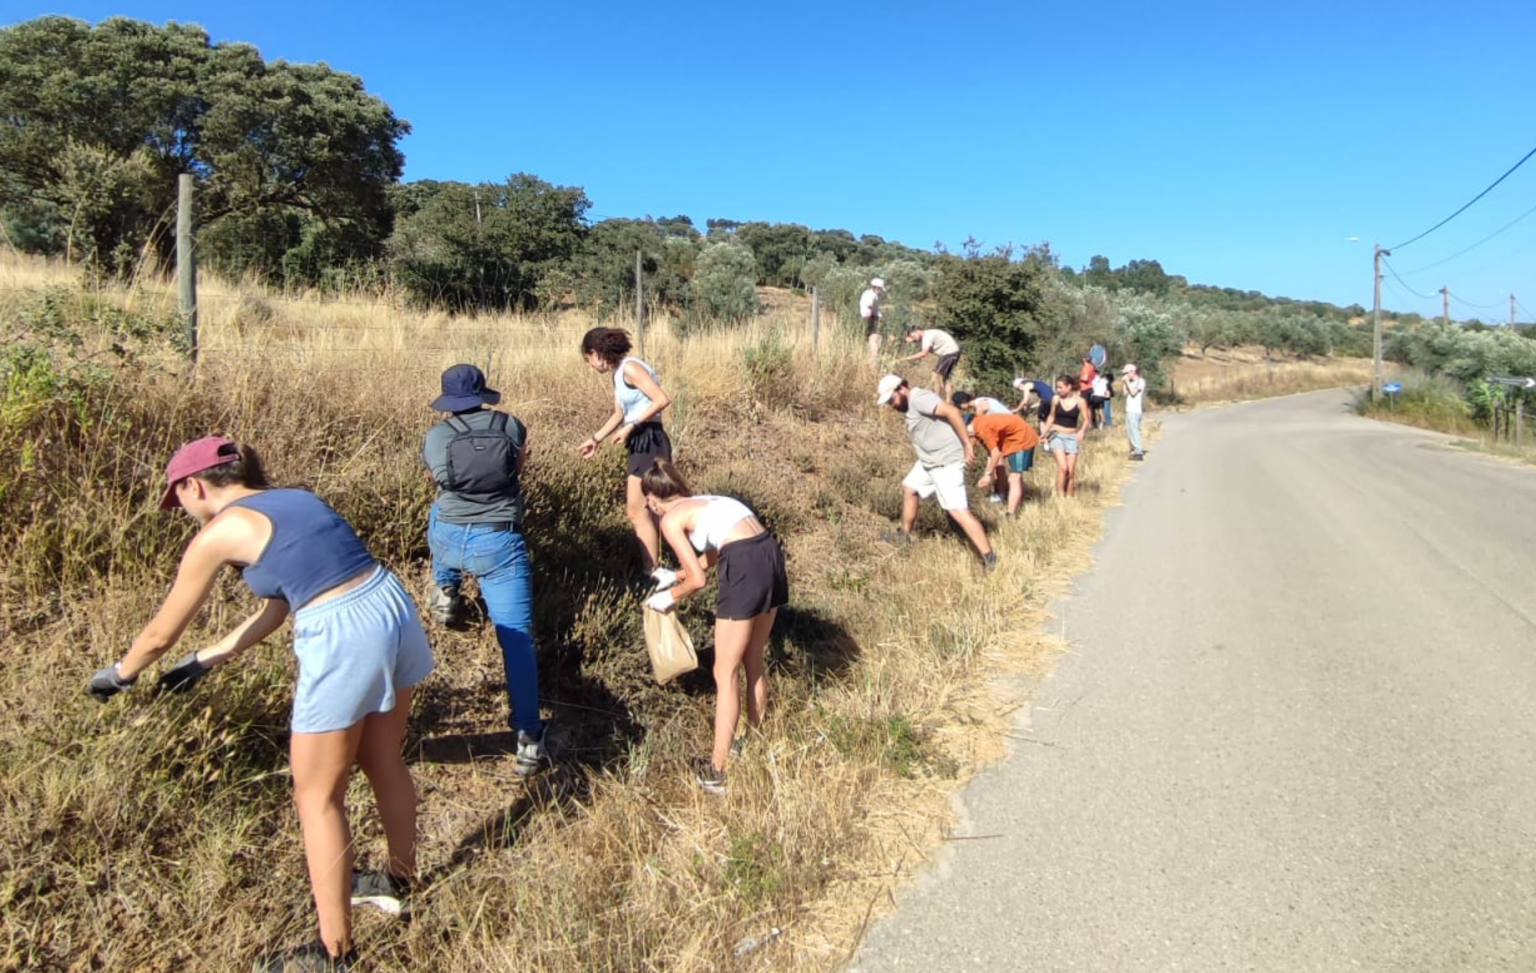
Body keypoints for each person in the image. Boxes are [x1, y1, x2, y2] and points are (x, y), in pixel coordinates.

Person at [88, 436, 434, 973]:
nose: (182, 511)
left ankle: (333, 953)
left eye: (177, 499)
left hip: (343, 631)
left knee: (316, 797)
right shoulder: (295, 498)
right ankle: (401, 880)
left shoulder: (219, 532)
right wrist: (209, 658)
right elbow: (282, 603)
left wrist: (119, 675)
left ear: (192, 485)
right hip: (390, 604)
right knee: (382, 759)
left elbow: (158, 634)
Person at [422, 364, 547, 774]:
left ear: (449, 399)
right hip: (500, 542)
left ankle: (446, 590)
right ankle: (529, 738)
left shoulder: (438, 436)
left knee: (438, 513)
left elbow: (437, 481)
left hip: (450, 537)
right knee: (517, 642)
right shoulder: (512, 425)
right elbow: (518, 470)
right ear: (482, 393)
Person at [640, 459, 788, 795]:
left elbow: (699, 579)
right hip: (769, 554)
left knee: (725, 672)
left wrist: (670, 596)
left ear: (652, 501)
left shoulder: (671, 521)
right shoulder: (711, 501)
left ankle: (718, 771)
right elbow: (719, 552)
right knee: (754, 660)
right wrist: (675, 575)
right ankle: (755, 744)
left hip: (745, 566)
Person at [576, 327, 676, 586]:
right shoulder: (618, 374)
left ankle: (651, 572)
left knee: (637, 509)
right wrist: (595, 439)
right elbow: (618, 414)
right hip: (640, 439)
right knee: (653, 507)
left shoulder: (631, 368)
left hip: (649, 439)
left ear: (596, 353)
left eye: (588, 359)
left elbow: (661, 399)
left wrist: (632, 426)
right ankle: (660, 568)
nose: (591, 365)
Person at [876, 374, 995, 569]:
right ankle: (904, 536)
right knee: (910, 488)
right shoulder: (912, 402)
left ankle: (989, 559)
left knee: (957, 511)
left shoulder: (919, 398)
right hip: (929, 461)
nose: (892, 405)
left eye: (892, 400)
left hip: (945, 462)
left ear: (901, 389)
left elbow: (951, 411)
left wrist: (967, 444)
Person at [970, 407, 1041, 516]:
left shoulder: (981, 429)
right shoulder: (976, 426)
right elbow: (991, 453)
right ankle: (1019, 498)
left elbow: (996, 453)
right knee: (1016, 477)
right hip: (1011, 440)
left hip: (1022, 439)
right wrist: (987, 474)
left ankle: (1010, 514)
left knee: (1014, 477)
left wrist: (988, 474)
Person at [1040, 375, 1089, 497]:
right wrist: (1044, 433)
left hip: (1072, 436)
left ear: (1069, 387)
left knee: (1071, 471)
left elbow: (1087, 420)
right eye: (1057, 387)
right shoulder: (1056, 399)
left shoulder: (1080, 401)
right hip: (1056, 435)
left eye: (1060, 387)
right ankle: (1060, 497)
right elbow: (1051, 417)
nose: (1058, 390)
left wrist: (1082, 431)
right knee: (1063, 467)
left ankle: (1070, 497)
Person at [901, 327, 963, 401]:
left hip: (949, 353)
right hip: (952, 352)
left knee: (935, 375)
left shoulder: (927, 336)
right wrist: (904, 340)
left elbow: (924, 353)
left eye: (913, 336)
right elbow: (918, 341)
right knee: (945, 378)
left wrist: (907, 358)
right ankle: (947, 400)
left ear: (918, 331)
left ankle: (936, 398)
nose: (914, 339)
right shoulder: (927, 334)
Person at [1121, 362, 1146, 460]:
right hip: (1129, 409)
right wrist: (1125, 383)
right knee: (1130, 430)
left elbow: (1133, 393)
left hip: (1135, 410)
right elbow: (1125, 393)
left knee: (1135, 430)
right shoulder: (1130, 382)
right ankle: (1134, 450)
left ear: (1132, 372)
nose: (1125, 375)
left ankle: (1138, 451)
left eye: (1127, 373)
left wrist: (1127, 382)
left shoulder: (1140, 381)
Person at [860, 277, 886, 360]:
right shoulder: (871, 295)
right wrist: (871, 319)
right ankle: (873, 359)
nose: (880, 291)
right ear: (877, 287)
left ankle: (872, 358)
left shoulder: (867, 294)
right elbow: (869, 305)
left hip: (870, 318)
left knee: (875, 339)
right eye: (880, 289)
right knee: (874, 340)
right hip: (872, 318)